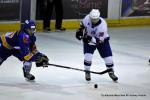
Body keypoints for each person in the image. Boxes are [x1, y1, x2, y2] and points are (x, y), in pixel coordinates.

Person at [75, 9, 118, 82]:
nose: (93, 21)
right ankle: (87, 71)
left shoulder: (103, 26)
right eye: (92, 19)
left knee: (109, 59)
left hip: (102, 41)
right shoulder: (87, 18)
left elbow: (99, 41)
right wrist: (80, 32)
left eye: (95, 19)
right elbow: (82, 26)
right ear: (90, 17)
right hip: (89, 40)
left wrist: (89, 38)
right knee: (87, 57)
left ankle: (111, 71)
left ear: (98, 17)